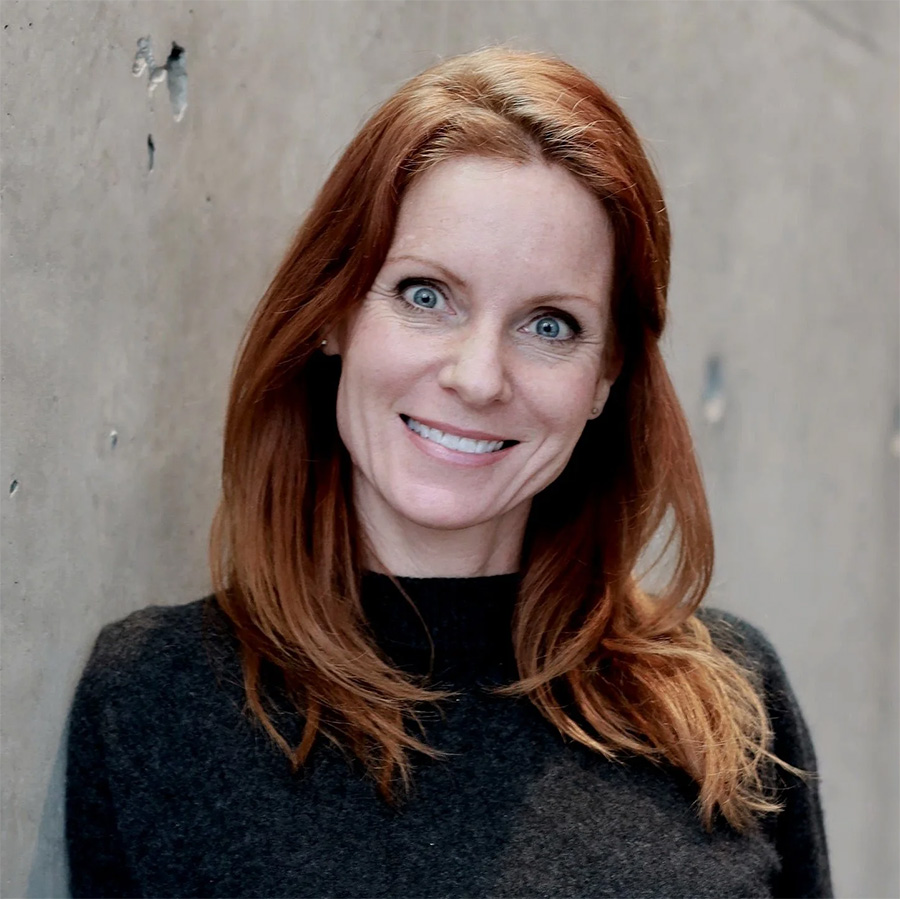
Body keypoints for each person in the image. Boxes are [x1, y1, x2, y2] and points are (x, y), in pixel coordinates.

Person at [65, 47, 832, 898]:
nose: (477, 376)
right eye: (427, 295)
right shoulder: (158, 702)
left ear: (607, 375)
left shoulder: (728, 702)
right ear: (333, 315)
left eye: (549, 324)